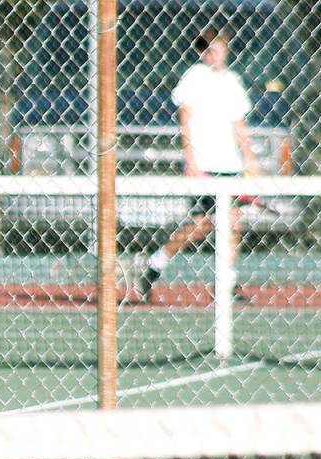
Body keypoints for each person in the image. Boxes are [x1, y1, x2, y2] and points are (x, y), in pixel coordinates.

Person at [136, 26, 260, 303]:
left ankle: (225, 284)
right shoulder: (194, 77)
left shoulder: (233, 81)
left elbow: (239, 123)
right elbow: (185, 117)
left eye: (219, 49)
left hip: (230, 164)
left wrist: (250, 156)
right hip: (204, 163)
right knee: (202, 225)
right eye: (210, 50)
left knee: (233, 224)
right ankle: (155, 266)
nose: (215, 55)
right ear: (202, 53)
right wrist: (190, 159)